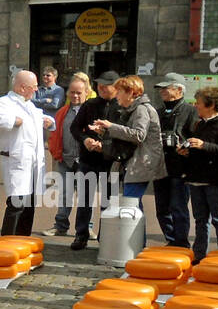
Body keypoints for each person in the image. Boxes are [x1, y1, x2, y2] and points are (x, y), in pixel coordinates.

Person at [0, 70, 53, 237]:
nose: (36, 90)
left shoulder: (29, 104)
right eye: (33, 87)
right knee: (16, 204)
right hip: (17, 161)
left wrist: (49, 121)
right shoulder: (4, 102)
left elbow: (40, 117)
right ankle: (7, 243)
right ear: (21, 87)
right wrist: (12, 121)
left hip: (33, 163)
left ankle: (22, 242)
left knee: (29, 205)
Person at [88, 74, 165, 220]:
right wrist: (105, 130)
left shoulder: (141, 109)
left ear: (131, 92)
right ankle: (136, 242)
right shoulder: (133, 109)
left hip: (141, 163)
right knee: (133, 205)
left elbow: (138, 135)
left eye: (119, 92)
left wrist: (111, 126)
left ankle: (135, 242)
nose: (116, 95)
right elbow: (127, 135)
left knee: (131, 205)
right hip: (135, 163)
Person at [177, 86, 218, 263]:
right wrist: (187, 152)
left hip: (217, 180)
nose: (195, 106)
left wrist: (204, 145)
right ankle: (199, 255)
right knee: (200, 220)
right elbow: (199, 150)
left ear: (211, 105)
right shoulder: (199, 123)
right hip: (197, 179)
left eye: (199, 103)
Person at [70, 70, 121, 249]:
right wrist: (85, 139)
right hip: (88, 159)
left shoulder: (122, 107)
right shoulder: (89, 104)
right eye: (99, 85)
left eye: (105, 86)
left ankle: (106, 236)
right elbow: (74, 128)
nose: (101, 88)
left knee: (109, 201)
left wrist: (105, 144)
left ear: (116, 87)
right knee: (84, 199)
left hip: (111, 161)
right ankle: (81, 234)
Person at [154, 72, 198, 247]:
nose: (162, 91)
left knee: (178, 208)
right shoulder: (158, 112)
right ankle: (171, 240)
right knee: (161, 209)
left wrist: (185, 147)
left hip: (180, 168)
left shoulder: (191, 111)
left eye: (166, 88)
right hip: (160, 167)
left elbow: (196, 137)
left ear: (179, 90)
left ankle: (181, 243)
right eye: (161, 88)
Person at [46, 73, 90, 241]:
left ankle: (87, 228)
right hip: (65, 159)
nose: (75, 95)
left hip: (85, 161)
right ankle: (60, 226)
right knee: (64, 194)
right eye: (72, 92)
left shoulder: (91, 110)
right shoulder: (62, 112)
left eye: (79, 92)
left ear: (86, 92)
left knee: (86, 196)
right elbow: (55, 135)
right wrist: (56, 153)